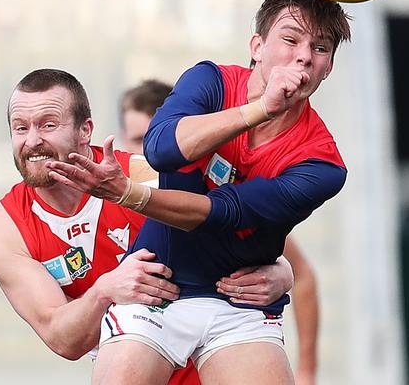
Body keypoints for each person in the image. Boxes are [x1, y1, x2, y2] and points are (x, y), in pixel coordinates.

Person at [47, 0, 351, 385]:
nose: (303, 58)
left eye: (320, 48)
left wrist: (128, 194)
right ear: (257, 46)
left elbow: (224, 214)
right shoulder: (209, 82)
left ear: (328, 67)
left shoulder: (323, 164)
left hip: (240, 305)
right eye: (290, 39)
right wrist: (259, 109)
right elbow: (161, 150)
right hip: (155, 289)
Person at [0, 69, 295, 384]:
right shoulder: (2, 231)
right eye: (20, 128)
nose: (32, 141)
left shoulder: (147, 178)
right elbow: (63, 339)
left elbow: (245, 234)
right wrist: (105, 290)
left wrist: (282, 273)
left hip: (214, 363)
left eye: (48, 125)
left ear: (86, 131)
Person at [119, 79, 321, 385]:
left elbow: (298, 272)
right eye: (137, 140)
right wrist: (104, 289)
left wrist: (306, 370)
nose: (149, 152)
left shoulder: (208, 202)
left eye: (156, 138)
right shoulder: (109, 203)